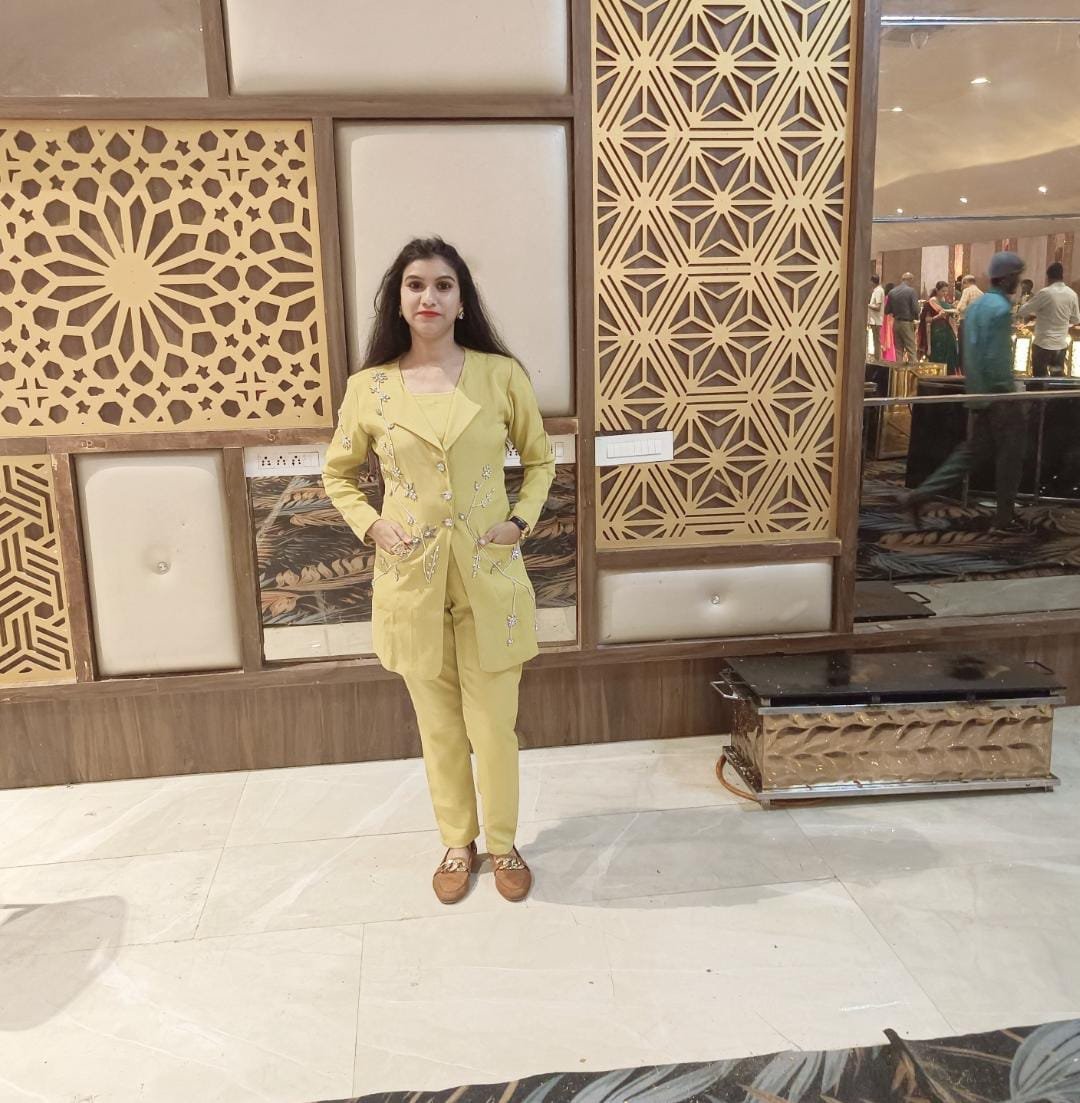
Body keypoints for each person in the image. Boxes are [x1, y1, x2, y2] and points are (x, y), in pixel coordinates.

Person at [322, 237, 554, 905]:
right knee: (439, 726)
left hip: (489, 575)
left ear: (461, 301)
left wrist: (520, 521)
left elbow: (540, 460)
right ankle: (458, 842)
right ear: (398, 300)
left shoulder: (500, 376)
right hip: (410, 579)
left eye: (443, 285)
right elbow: (338, 473)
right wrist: (371, 524)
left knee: (495, 726)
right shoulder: (369, 388)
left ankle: (504, 843)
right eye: (416, 284)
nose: (429, 296)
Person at [900, 252, 1029, 532]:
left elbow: (968, 352)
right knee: (1010, 457)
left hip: (977, 393)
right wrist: (1009, 393)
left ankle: (918, 495)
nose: (1018, 281)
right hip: (999, 397)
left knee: (969, 454)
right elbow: (997, 358)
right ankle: (1004, 519)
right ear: (1006, 277)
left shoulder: (977, 306)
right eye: (1016, 276)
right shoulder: (1000, 309)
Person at [1022, 262, 1080, 380]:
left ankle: (1039, 392)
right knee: (1057, 379)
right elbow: (1076, 319)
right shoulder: (1072, 294)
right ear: (1062, 276)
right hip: (1060, 345)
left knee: (1039, 379)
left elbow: (1024, 310)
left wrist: (1036, 313)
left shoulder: (1045, 293)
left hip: (1042, 345)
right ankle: (1056, 391)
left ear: (1048, 277)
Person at [918, 280, 959, 372]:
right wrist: (937, 316)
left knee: (949, 354)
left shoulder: (944, 301)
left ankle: (948, 374)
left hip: (947, 333)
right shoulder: (931, 302)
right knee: (938, 356)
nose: (945, 293)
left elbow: (950, 314)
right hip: (936, 334)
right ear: (937, 290)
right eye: (943, 291)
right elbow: (926, 321)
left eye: (946, 291)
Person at [889, 272, 920, 364]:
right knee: (911, 349)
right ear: (910, 280)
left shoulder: (892, 292)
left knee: (898, 350)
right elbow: (916, 309)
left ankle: (898, 372)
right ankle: (912, 371)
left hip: (896, 323)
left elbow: (887, 310)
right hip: (907, 323)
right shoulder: (911, 291)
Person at [956, 274, 983, 371]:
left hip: (966, 323)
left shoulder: (967, 291)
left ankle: (964, 371)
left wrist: (957, 306)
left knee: (964, 348)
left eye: (962, 284)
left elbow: (961, 307)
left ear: (966, 282)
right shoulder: (981, 293)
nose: (961, 287)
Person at [868, 274, 885, 360]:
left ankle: (877, 359)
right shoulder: (876, 290)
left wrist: (868, 305)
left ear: (873, 282)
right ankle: (876, 358)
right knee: (875, 340)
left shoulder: (878, 291)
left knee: (876, 341)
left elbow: (878, 307)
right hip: (874, 320)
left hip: (876, 320)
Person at [881, 282, 897, 361]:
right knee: (889, 339)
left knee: (885, 339)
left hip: (884, 320)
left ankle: (885, 357)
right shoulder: (889, 299)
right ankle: (890, 358)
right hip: (889, 320)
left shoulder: (884, 298)